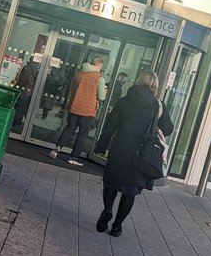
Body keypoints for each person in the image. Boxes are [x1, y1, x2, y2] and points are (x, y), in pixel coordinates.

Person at [97, 70, 174, 236]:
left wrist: (101, 146)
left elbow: (110, 125)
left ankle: (108, 209)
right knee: (130, 191)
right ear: (155, 85)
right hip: (141, 153)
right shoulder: (157, 105)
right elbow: (168, 129)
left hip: (120, 148)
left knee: (111, 183)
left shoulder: (124, 101)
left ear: (138, 81)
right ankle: (117, 226)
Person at [50, 55, 107, 166]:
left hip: (74, 106)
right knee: (82, 134)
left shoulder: (78, 73)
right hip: (88, 110)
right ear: (98, 65)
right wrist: (104, 91)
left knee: (69, 129)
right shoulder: (99, 77)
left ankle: (56, 149)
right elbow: (101, 97)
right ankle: (73, 157)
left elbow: (72, 88)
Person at [95, 71, 130, 153]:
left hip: (102, 106)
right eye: (124, 79)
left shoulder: (108, 84)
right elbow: (115, 100)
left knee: (98, 123)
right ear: (119, 77)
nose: (124, 81)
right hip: (108, 109)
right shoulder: (118, 88)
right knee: (101, 125)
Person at [12, 58, 39, 131]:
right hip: (32, 92)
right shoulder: (37, 70)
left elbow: (21, 80)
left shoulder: (27, 68)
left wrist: (16, 87)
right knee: (27, 108)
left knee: (20, 108)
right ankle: (30, 124)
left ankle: (16, 123)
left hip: (24, 91)